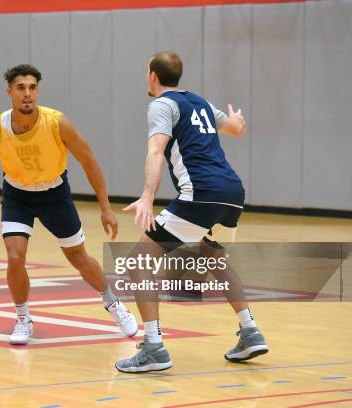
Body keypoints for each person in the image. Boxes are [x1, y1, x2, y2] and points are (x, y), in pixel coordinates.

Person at [0, 64, 138, 344]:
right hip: (18, 195)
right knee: (15, 256)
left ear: (37, 91)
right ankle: (23, 318)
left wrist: (105, 207)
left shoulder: (56, 122)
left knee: (78, 257)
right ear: (10, 92)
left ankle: (113, 303)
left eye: (32, 88)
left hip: (55, 194)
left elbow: (89, 160)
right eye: (20, 88)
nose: (27, 93)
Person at [115, 52, 268, 373]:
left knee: (137, 263)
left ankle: (154, 347)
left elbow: (156, 150)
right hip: (232, 192)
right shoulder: (199, 102)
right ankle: (250, 331)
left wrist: (147, 196)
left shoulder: (161, 105)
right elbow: (235, 129)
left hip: (202, 194)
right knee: (215, 258)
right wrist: (237, 120)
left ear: (152, 76)